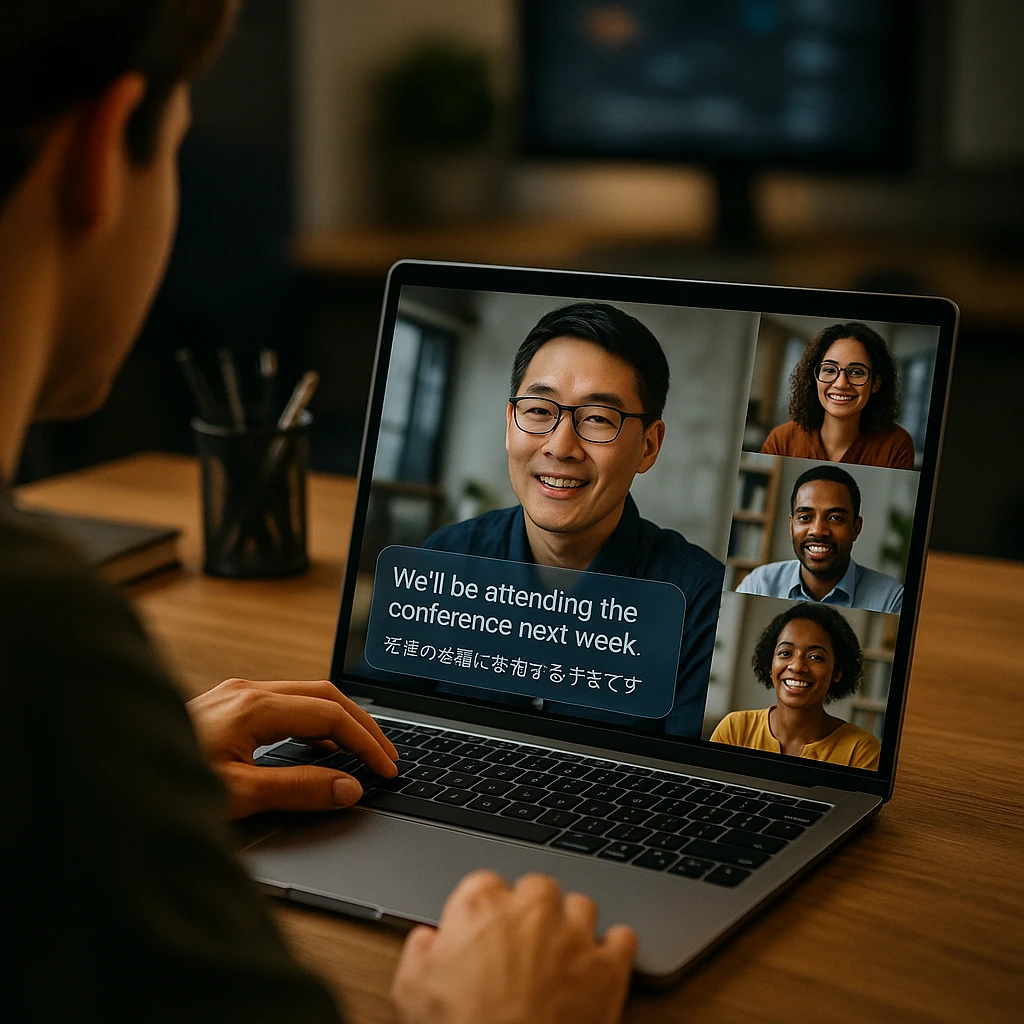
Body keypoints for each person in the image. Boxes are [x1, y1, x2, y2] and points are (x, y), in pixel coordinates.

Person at [0, 2, 636, 1021]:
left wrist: (128, 781)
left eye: (597, 419)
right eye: (175, 147)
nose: (561, 444)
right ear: (96, 156)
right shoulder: (40, 638)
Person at [422, 302, 725, 737]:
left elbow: (696, 783)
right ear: (510, 425)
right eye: (540, 411)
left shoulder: (700, 604)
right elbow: (378, 718)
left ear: (649, 446)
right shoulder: (443, 560)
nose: (561, 447)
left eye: (599, 418)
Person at [710, 604, 881, 770]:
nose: (797, 666)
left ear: (838, 672)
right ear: (770, 666)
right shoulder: (735, 729)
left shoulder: (861, 751)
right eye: (785, 653)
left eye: (816, 657)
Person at [736, 465, 903, 613]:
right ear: (791, 525)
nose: (818, 531)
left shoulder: (889, 598)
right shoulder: (760, 583)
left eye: (835, 518)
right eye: (805, 517)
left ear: (856, 528)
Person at [760, 322, 915, 469]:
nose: (841, 384)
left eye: (856, 372)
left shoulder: (897, 445)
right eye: (829, 370)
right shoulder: (781, 440)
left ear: (875, 383)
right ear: (814, 377)